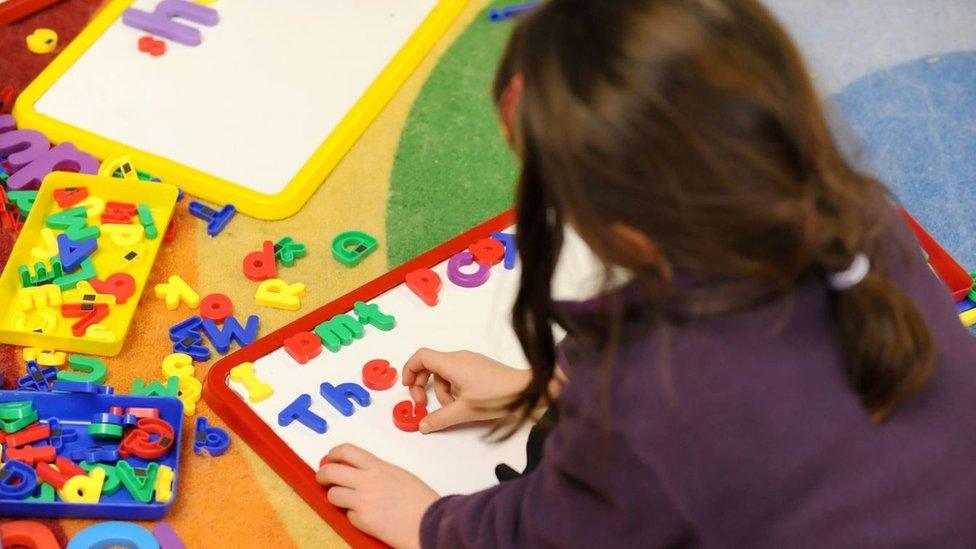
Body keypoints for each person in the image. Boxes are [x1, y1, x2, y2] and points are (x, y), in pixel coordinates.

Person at [317, 0, 976, 546]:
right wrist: (544, 387)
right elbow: (777, 416)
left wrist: (431, 522)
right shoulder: (857, 215)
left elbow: (557, 534)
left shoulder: (648, 405)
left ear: (624, 224)